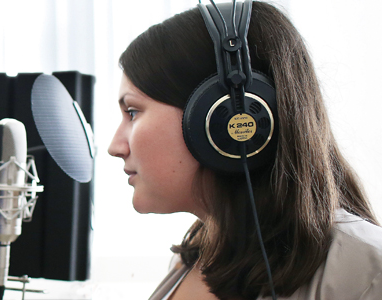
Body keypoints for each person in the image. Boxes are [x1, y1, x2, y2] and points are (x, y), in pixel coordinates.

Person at [108, 1, 382, 300]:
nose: (115, 147)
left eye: (133, 112)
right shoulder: (194, 260)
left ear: (217, 117)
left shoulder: (364, 270)